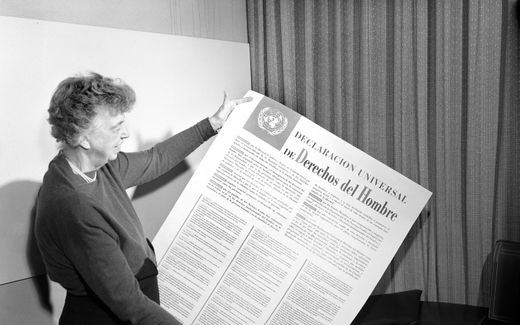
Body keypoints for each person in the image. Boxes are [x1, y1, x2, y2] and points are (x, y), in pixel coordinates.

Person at [34, 72, 251, 324]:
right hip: (108, 316)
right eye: (116, 127)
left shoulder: (98, 167)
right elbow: (129, 303)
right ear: (82, 137)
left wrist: (212, 123)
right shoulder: (73, 205)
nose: (125, 134)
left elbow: (155, 159)